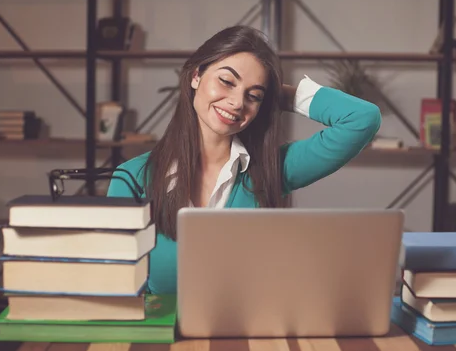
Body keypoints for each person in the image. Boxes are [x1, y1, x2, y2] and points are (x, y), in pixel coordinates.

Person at [107, 25, 381, 294]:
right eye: (226, 81)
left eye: (254, 96)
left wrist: (280, 95)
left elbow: (362, 119)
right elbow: (114, 284)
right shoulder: (132, 178)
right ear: (195, 76)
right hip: (164, 336)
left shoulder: (273, 168)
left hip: (249, 335)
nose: (238, 102)